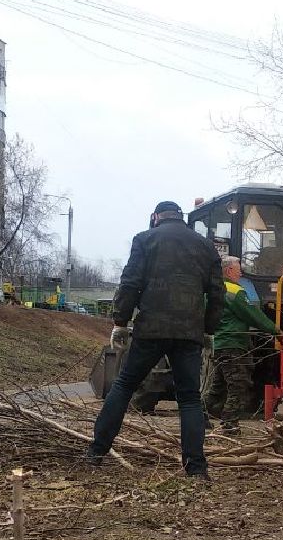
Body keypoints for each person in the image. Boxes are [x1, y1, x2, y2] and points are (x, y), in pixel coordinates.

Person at [87, 201, 225, 478]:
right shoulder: (205, 246)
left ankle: (96, 453)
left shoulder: (144, 240)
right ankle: (196, 468)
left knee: (125, 386)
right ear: (182, 218)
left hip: (150, 329)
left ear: (155, 217)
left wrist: (120, 322)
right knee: (189, 398)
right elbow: (217, 293)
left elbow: (130, 283)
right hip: (189, 333)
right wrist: (208, 330)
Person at [206, 256, 279, 432]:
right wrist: (277, 331)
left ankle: (200, 415)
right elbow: (253, 315)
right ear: (228, 271)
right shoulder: (235, 292)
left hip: (222, 343)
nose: (241, 272)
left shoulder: (214, 290)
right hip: (234, 344)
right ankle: (230, 423)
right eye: (238, 269)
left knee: (219, 386)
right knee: (239, 384)